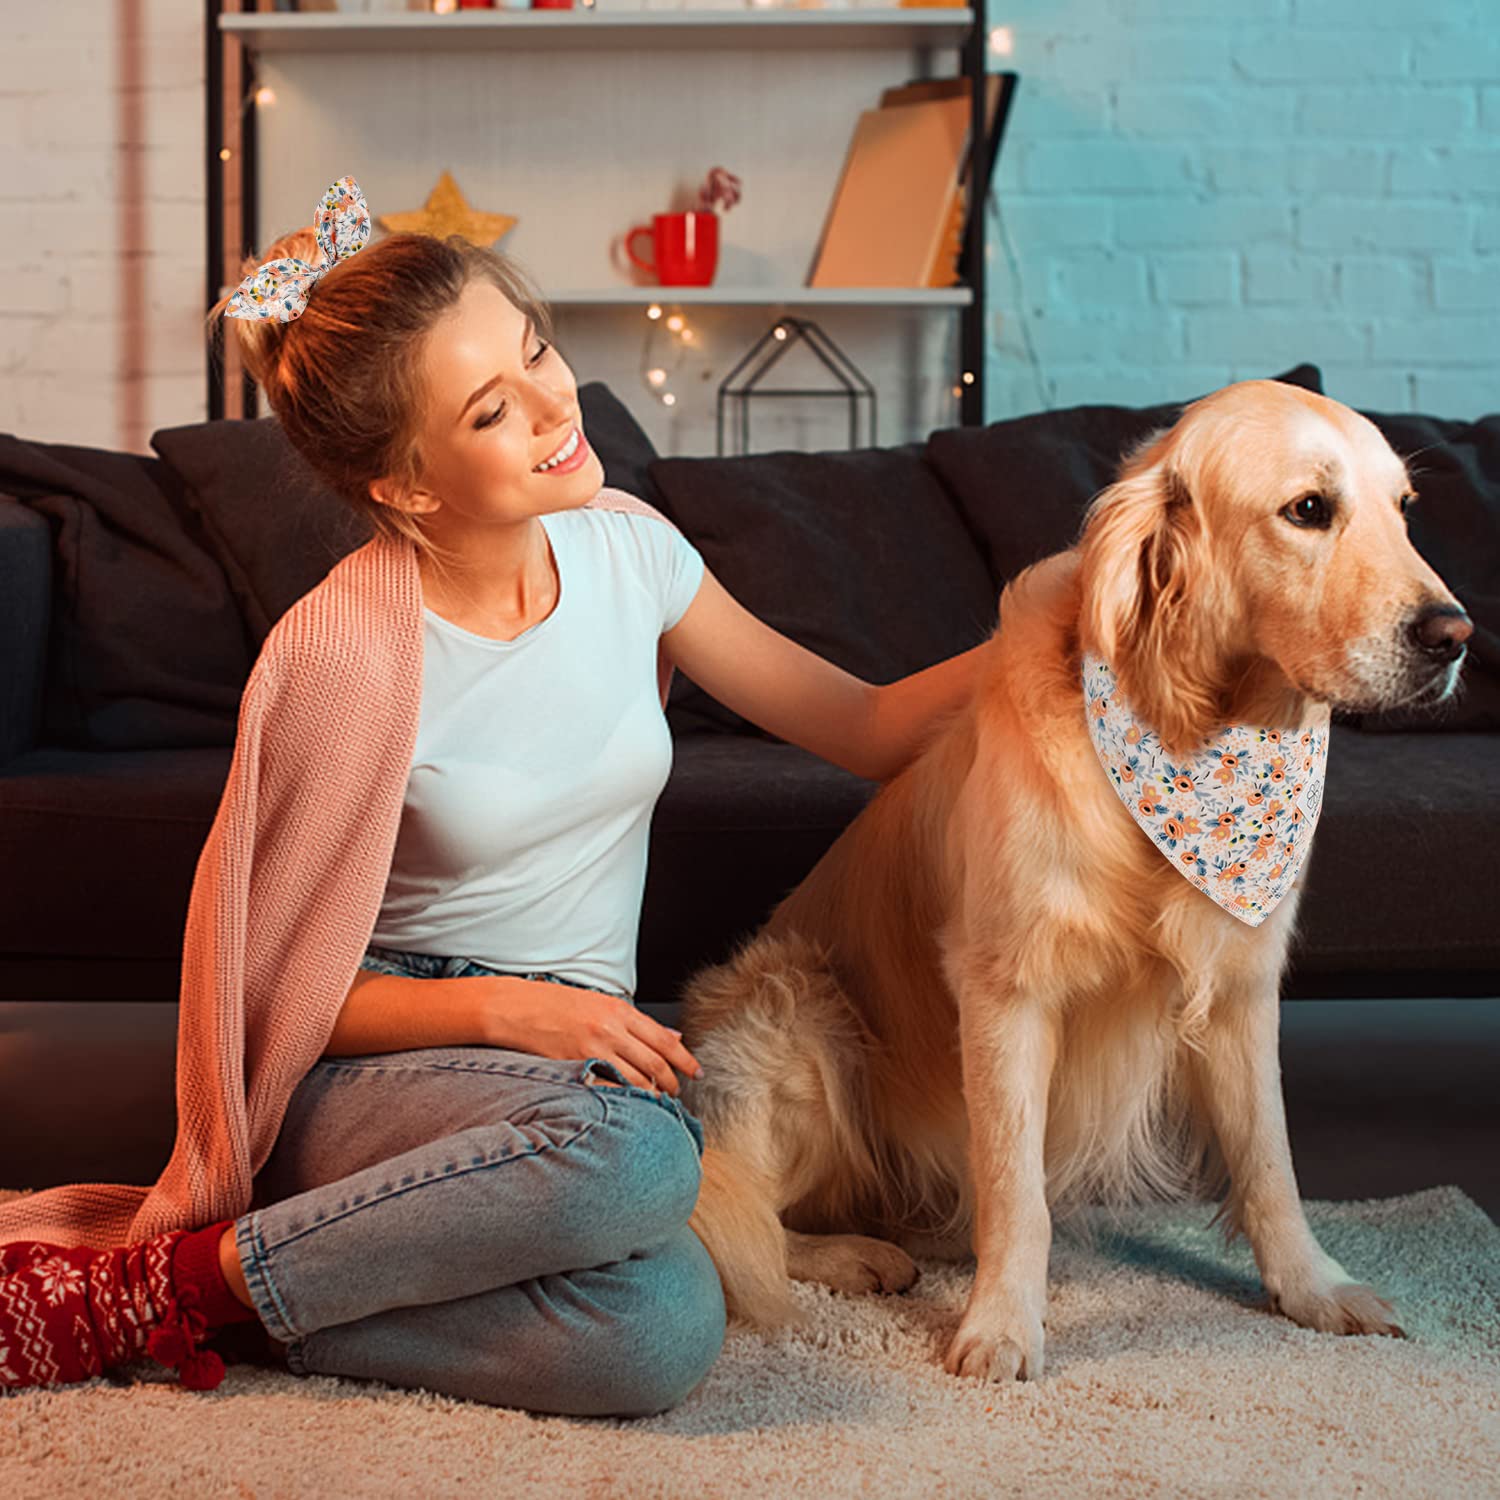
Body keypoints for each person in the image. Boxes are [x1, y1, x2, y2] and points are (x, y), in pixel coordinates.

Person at [0, 177, 984, 1414]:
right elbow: (275, 1001)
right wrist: (518, 1012)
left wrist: (1070, 621)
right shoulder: (342, 650)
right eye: (491, 409)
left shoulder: (634, 553)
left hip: (566, 1078)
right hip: (384, 1077)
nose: (555, 405)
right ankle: (160, 1290)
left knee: (663, 1330)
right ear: (409, 485)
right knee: (644, 1164)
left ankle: (263, 1296)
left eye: (536, 352)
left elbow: (870, 727)